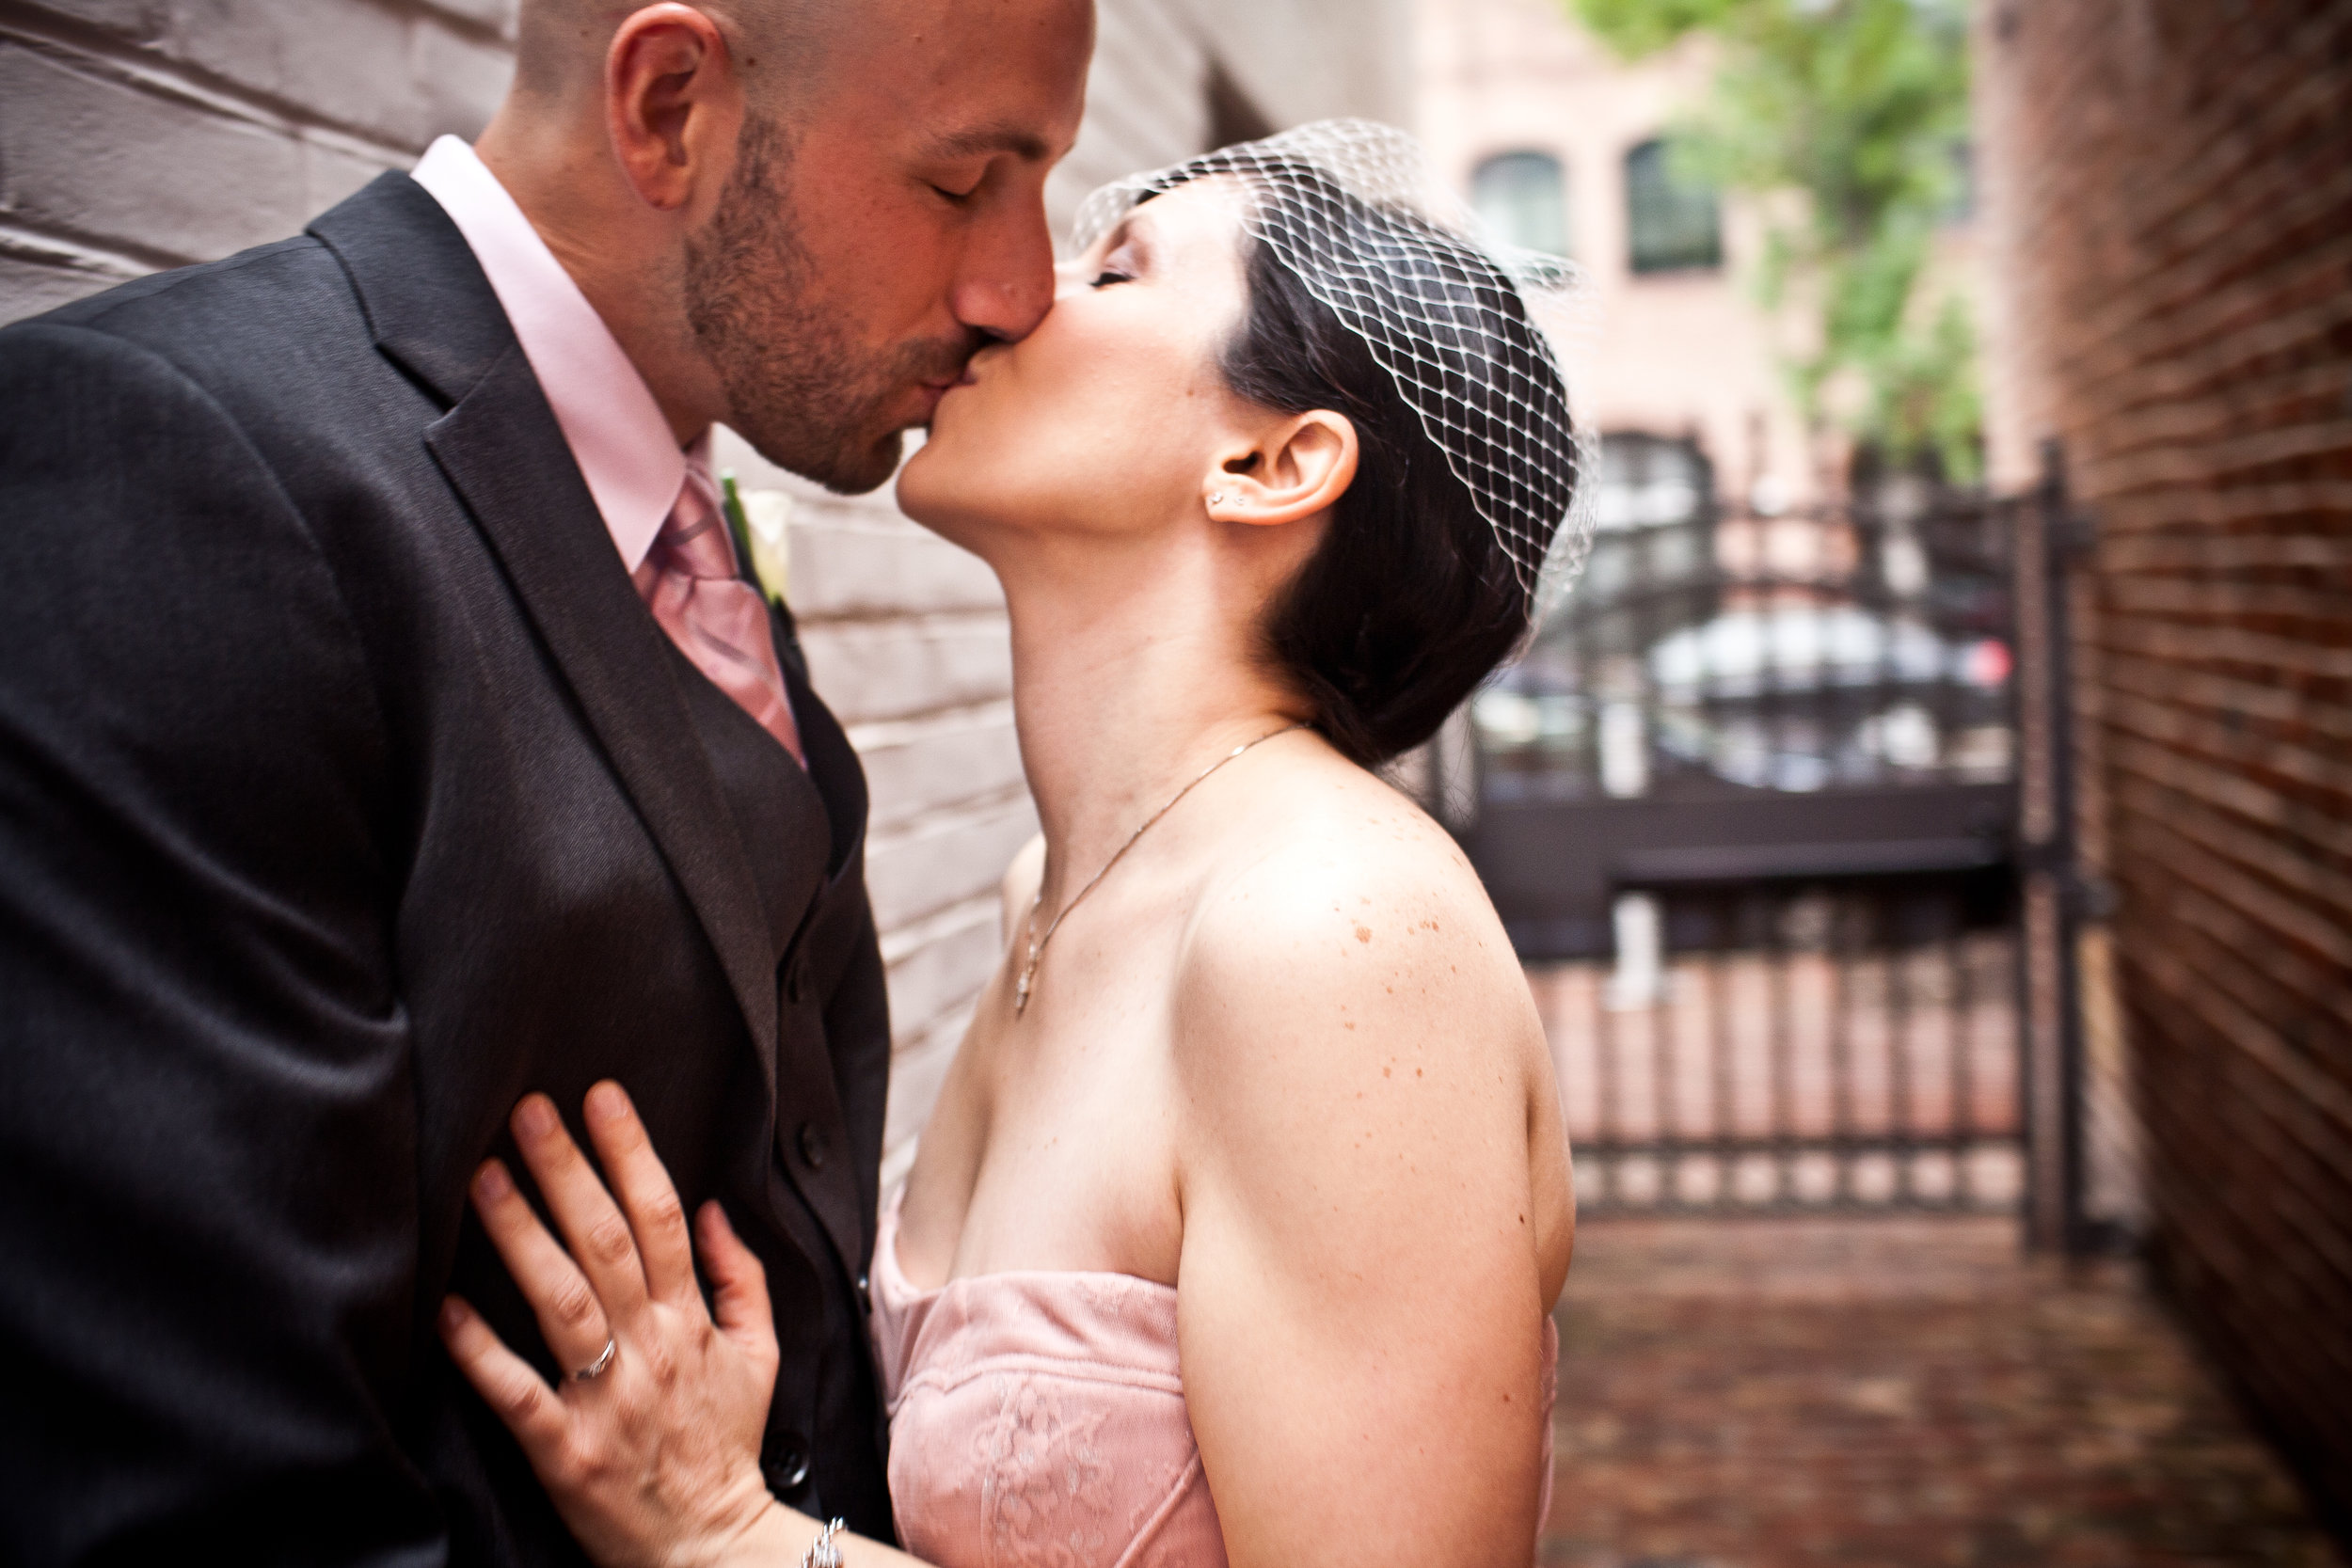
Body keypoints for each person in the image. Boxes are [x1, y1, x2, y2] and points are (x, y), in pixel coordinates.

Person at [0, 0, 1090, 1560]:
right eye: (964, 178)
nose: (1019, 289)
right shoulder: (176, 464)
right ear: (665, 105)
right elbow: (211, 1497)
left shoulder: (679, 516)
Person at [437, 126, 1584, 1568]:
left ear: (1271, 461)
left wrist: (725, 1538)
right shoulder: (1049, 898)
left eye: (1115, 270)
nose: (1011, 297)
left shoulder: (1336, 932)